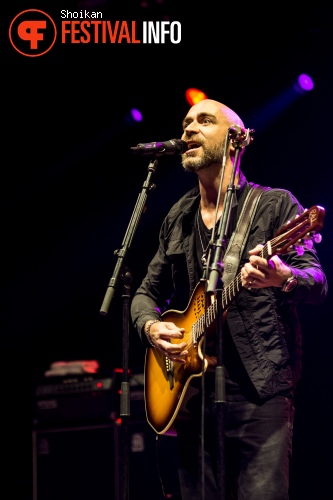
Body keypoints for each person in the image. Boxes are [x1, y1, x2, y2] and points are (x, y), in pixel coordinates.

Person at [130, 99, 328, 500]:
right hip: (193, 400)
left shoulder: (274, 204)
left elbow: (317, 281)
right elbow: (145, 294)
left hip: (261, 392)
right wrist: (151, 326)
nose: (188, 130)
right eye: (185, 122)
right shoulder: (179, 215)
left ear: (236, 141)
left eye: (204, 121)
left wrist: (283, 277)